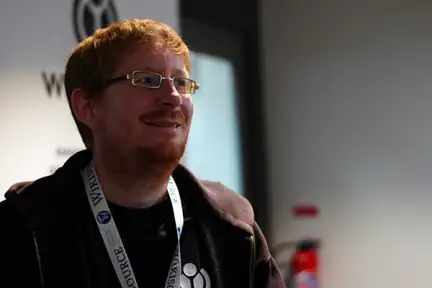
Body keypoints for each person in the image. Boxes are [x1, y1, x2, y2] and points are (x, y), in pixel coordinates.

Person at [0, 19, 284, 288]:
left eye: (181, 83)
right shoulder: (23, 228)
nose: (172, 96)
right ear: (87, 106)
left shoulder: (231, 228)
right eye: (147, 80)